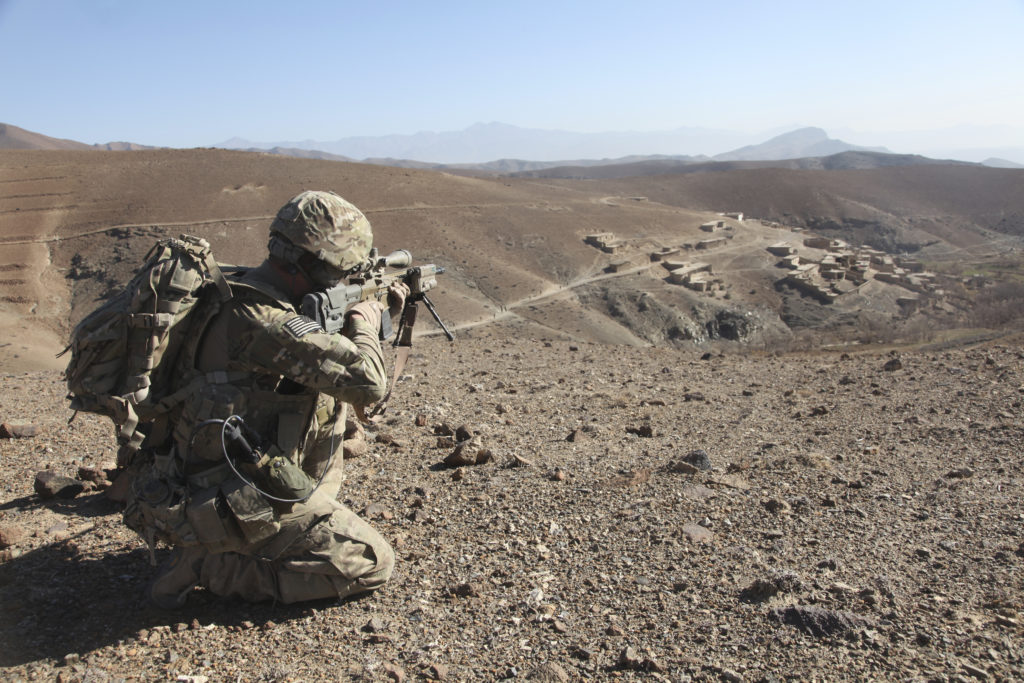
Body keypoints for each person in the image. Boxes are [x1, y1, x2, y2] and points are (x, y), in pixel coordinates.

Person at [125, 190, 407, 608]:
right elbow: (368, 385)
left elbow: (323, 374)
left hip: (213, 468)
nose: (344, 281)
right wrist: (365, 324)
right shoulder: (263, 320)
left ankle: (290, 522)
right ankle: (211, 565)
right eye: (340, 271)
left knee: (323, 401)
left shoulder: (239, 289)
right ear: (309, 263)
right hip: (224, 494)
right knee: (372, 562)